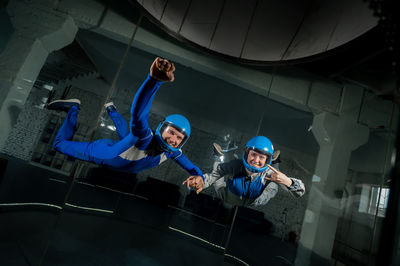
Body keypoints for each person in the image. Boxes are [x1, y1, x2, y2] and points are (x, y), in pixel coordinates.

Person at [47, 57, 204, 181]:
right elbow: (139, 114)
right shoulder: (146, 137)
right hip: (105, 154)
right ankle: (73, 108)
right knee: (59, 145)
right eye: (171, 132)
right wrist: (153, 81)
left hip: (124, 149)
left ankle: (111, 109)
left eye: (179, 138)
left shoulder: (172, 152)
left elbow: (192, 168)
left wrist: (200, 178)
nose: (173, 139)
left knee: (128, 136)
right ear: (162, 128)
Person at [183, 136, 305, 207]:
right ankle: (218, 156)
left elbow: (300, 192)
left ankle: (275, 162)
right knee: (218, 181)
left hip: (256, 200)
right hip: (229, 196)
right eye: (253, 155)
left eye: (262, 157)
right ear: (247, 153)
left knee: (274, 185)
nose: (256, 160)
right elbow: (214, 175)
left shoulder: (267, 173)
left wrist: (288, 182)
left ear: (266, 159)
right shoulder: (236, 166)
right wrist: (201, 181)